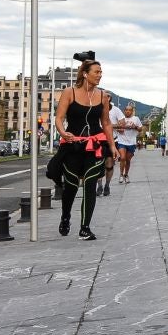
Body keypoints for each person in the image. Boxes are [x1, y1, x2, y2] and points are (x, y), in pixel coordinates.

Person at [53, 53, 119, 241]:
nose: (100, 75)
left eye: (101, 72)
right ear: (85, 74)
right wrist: (63, 133)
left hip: (95, 145)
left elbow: (106, 123)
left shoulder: (103, 96)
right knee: (71, 186)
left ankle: (85, 227)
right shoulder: (69, 92)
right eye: (97, 72)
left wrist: (112, 146)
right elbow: (59, 118)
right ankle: (65, 217)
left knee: (90, 184)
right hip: (73, 145)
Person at [114, 103, 143, 183]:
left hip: (131, 142)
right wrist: (119, 129)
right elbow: (116, 128)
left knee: (128, 160)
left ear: (132, 111)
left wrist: (135, 127)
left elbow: (140, 129)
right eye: (126, 110)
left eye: (130, 110)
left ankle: (126, 174)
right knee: (122, 158)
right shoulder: (121, 119)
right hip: (121, 141)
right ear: (124, 111)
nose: (128, 111)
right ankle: (120, 174)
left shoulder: (136, 118)